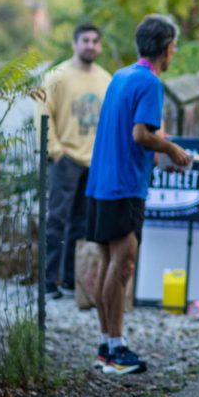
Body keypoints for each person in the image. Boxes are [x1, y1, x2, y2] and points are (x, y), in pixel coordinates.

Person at [85, 15, 193, 375]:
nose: (173, 52)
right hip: (124, 185)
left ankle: (105, 346)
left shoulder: (121, 75)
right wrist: (173, 150)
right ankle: (116, 350)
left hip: (100, 181)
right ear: (166, 49)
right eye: (174, 46)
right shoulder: (149, 81)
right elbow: (141, 135)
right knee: (123, 265)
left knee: (108, 264)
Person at [40, 22, 111, 299]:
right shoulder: (57, 76)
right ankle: (48, 282)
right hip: (65, 158)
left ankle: (71, 281)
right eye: (85, 40)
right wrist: (55, 151)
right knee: (56, 220)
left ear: (100, 46)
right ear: (75, 43)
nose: (90, 45)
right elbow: (43, 115)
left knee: (82, 224)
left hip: (94, 161)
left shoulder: (106, 79)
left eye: (95, 41)